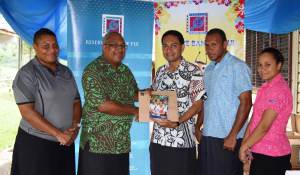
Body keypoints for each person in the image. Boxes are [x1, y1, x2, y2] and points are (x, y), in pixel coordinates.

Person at [11, 28, 81, 175]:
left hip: (65, 141)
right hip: (36, 143)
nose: (52, 50)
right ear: (35, 47)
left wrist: (75, 125)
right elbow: (27, 112)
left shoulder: (66, 71)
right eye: (46, 46)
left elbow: (76, 101)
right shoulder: (26, 73)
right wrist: (57, 133)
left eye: (55, 45)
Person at [144, 30, 207, 175]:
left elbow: (198, 105)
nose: (169, 50)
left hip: (181, 142)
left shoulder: (193, 71)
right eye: (165, 46)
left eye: (173, 45)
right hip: (158, 140)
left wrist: (176, 122)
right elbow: (155, 95)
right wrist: (145, 106)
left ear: (182, 47)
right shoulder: (160, 71)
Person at [78, 32, 139, 175]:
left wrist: (148, 95)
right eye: (115, 45)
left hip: (121, 142)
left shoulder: (125, 70)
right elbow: (103, 105)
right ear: (104, 47)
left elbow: (133, 94)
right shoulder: (93, 71)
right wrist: (134, 110)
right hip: (98, 143)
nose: (120, 49)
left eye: (123, 46)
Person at [196, 28, 252, 175]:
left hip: (227, 138)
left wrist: (233, 135)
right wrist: (197, 126)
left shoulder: (237, 66)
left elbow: (246, 103)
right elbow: (205, 102)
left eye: (214, 44)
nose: (209, 49)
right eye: (207, 45)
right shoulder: (208, 70)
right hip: (208, 136)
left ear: (225, 44)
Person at [239, 48, 292, 175]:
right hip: (261, 151)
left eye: (267, 64)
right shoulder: (265, 87)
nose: (262, 69)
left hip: (272, 154)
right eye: (260, 65)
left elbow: (264, 126)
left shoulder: (277, 90)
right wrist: (245, 144)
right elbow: (254, 118)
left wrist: (244, 147)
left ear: (279, 65)